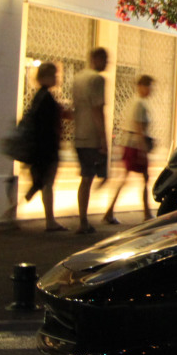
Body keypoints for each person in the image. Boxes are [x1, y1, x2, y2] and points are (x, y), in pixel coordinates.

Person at [103, 74, 154, 225]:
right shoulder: (139, 104)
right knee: (143, 178)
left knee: (131, 178)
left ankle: (111, 211)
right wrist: (142, 149)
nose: (150, 90)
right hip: (135, 145)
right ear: (142, 87)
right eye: (148, 86)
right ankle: (146, 212)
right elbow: (139, 127)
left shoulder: (135, 102)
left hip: (131, 144)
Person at [23, 62, 65, 231]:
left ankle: (49, 218)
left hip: (41, 147)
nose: (56, 78)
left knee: (43, 182)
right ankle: (50, 221)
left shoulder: (40, 96)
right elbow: (47, 125)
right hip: (46, 148)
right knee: (47, 183)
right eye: (54, 75)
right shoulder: (45, 98)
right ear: (45, 77)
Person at [72, 47, 109, 234]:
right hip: (92, 135)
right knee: (89, 177)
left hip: (79, 133)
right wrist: (104, 139)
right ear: (96, 59)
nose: (107, 63)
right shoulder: (97, 79)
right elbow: (97, 110)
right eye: (105, 59)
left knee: (86, 177)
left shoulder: (77, 78)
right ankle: (83, 220)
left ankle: (83, 218)